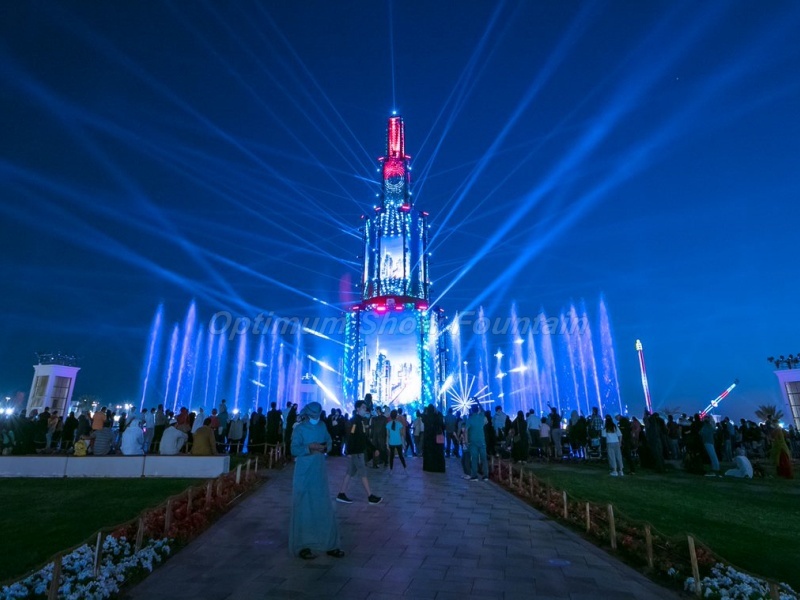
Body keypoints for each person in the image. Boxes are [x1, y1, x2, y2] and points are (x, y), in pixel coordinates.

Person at [289, 402, 344, 560]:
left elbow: (329, 442)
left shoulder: (322, 426)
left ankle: (329, 544)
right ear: (307, 414)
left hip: (319, 472)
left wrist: (324, 448)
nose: (316, 418)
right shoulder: (300, 429)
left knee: (323, 506)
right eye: (313, 415)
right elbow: (294, 449)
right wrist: (308, 448)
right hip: (304, 472)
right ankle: (302, 545)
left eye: (318, 415)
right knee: (303, 507)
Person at [337, 400, 381, 504]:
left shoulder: (360, 421)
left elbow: (364, 438)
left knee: (349, 473)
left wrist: (373, 448)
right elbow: (351, 436)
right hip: (357, 452)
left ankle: (341, 493)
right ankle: (370, 496)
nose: (365, 410)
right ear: (358, 409)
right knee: (363, 473)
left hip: (356, 452)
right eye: (363, 408)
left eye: (365, 408)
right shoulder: (356, 421)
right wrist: (349, 451)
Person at [465, 404, 489, 481]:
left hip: (473, 441)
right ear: (478, 410)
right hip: (482, 440)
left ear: (472, 410)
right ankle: (485, 475)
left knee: (474, 459)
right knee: (484, 458)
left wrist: (466, 441)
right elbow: (484, 411)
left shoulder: (470, 419)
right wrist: (478, 402)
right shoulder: (481, 417)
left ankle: (474, 476)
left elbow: (466, 430)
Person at [422, 404, 445, 473]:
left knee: (428, 453)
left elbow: (423, 416)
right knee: (438, 453)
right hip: (437, 436)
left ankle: (428, 467)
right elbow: (442, 425)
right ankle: (439, 468)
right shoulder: (437, 416)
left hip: (428, 438)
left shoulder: (425, 417)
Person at [385, 410, 407, 474]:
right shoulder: (399, 424)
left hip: (391, 442)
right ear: (396, 416)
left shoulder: (388, 424)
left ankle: (391, 470)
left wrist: (387, 444)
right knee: (401, 456)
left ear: (391, 416)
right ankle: (405, 469)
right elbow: (401, 434)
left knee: (391, 457)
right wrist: (404, 443)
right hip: (399, 442)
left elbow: (388, 435)